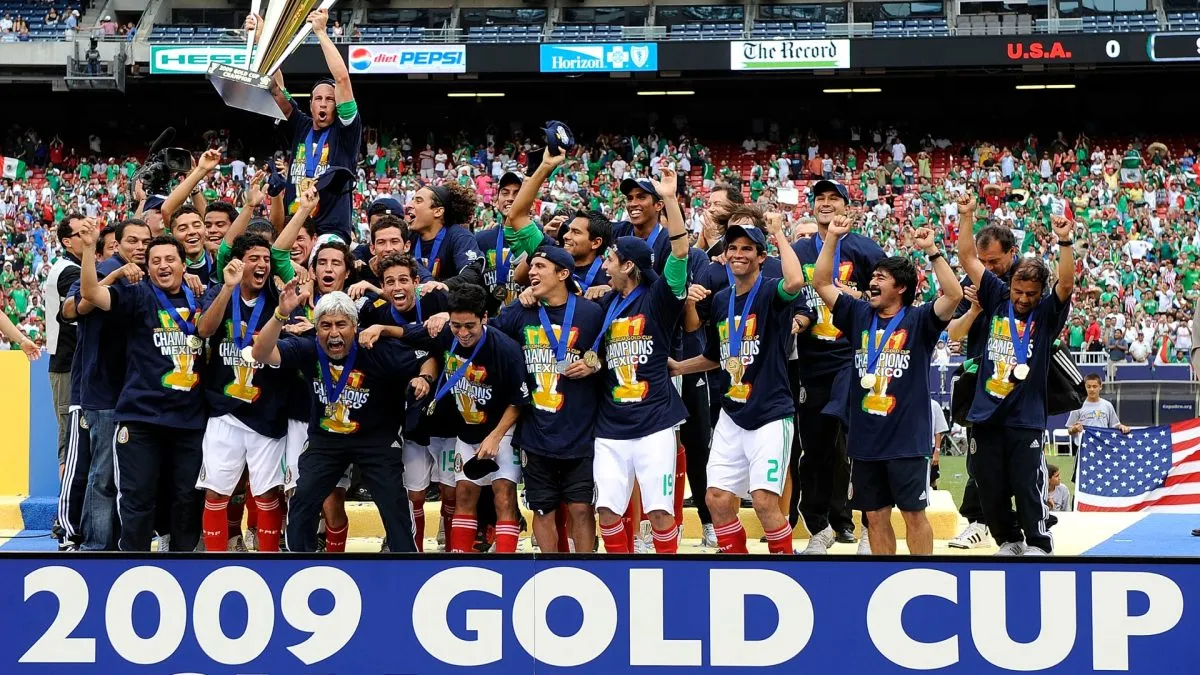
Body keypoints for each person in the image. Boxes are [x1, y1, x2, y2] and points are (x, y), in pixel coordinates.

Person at [815, 217, 962, 555]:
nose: (872, 281)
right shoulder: (856, 314)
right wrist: (833, 238)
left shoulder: (920, 319)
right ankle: (885, 578)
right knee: (875, 516)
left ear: (901, 288)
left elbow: (953, 294)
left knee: (913, 514)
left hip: (907, 440)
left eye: (881, 277)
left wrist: (932, 251)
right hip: (865, 438)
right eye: (873, 276)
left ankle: (923, 574)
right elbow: (822, 281)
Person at [251, 288, 428, 553]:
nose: (333, 333)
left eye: (341, 325)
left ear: (355, 327)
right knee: (302, 501)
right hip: (326, 440)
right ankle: (301, 564)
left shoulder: (377, 349)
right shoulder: (309, 347)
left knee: (394, 507)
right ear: (317, 329)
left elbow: (429, 356)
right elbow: (261, 354)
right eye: (325, 326)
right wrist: (280, 314)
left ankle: (405, 562)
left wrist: (424, 378)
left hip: (376, 439)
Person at [670, 211, 805, 553]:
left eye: (748, 248)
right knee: (715, 498)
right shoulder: (719, 301)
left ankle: (783, 570)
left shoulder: (771, 292)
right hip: (732, 412)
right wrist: (678, 368)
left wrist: (778, 233)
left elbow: (794, 282)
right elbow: (715, 356)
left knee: (763, 501)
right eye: (733, 248)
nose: (738, 254)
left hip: (770, 414)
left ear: (761, 257)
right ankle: (737, 564)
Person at [958, 193, 1076, 556]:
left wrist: (1065, 242)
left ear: (1041, 294)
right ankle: (1009, 541)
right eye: (1019, 291)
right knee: (988, 486)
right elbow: (966, 256)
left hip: (1025, 417)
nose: (1023, 298)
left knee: (1027, 485)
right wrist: (966, 215)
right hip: (985, 413)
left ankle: (1039, 543)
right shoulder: (996, 297)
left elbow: (1067, 284)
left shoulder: (1045, 315)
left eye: (1031, 293)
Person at [77, 231, 207, 552]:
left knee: (187, 499)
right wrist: (91, 249)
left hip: (190, 421)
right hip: (141, 419)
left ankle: (184, 565)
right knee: (138, 499)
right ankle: (132, 564)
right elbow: (91, 292)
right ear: (147, 268)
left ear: (183, 264)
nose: (163, 266)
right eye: (155, 261)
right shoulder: (137, 295)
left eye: (170, 260)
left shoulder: (203, 298)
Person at [589, 167, 691, 554]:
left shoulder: (661, 298)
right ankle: (620, 577)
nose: (604, 265)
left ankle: (668, 575)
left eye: (611, 259)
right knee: (608, 513)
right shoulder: (606, 304)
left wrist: (669, 198)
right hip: (611, 425)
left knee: (660, 512)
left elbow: (680, 251)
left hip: (653, 423)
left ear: (628, 265)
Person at [791, 179, 884, 553]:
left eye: (834, 198)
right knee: (815, 446)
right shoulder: (799, 249)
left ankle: (856, 521)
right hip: (811, 361)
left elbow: (887, 295)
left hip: (851, 356)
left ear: (847, 207)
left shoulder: (864, 248)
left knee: (852, 441)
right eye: (820, 198)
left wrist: (856, 295)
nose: (826, 204)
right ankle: (820, 524)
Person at [494, 246, 604, 552]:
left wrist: (594, 363)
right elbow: (491, 342)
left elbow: (603, 353)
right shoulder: (520, 311)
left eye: (541, 266)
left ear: (563, 274)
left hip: (581, 431)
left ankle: (585, 570)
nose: (532, 272)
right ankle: (550, 571)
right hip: (535, 432)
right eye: (532, 266)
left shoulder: (590, 312)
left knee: (582, 508)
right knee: (542, 509)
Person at [194, 233, 291, 553]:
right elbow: (205, 330)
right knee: (216, 492)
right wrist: (228, 287)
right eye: (255, 258)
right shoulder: (220, 292)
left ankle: (268, 561)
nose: (262, 264)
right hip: (224, 411)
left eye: (266, 259)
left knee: (266, 493)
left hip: (267, 409)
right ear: (238, 262)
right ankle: (215, 561)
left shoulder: (278, 296)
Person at [62, 218, 151, 551]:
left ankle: (120, 543)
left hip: (141, 392)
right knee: (102, 474)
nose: (139, 247)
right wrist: (101, 266)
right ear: (117, 244)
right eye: (132, 241)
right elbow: (74, 307)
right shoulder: (103, 268)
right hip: (104, 391)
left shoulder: (154, 273)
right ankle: (94, 546)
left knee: (129, 477)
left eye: (145, 241)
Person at [423, 284, 530, 553]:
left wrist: (495, 437)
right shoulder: (447, 335)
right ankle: (461, 558)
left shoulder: (506, 349)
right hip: (466, 431)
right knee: (464, 494)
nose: (462, 333)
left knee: (504, 496)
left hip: (502, 431)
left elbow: (518, 402)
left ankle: (507, 561)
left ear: (484, 317)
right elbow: (430, 353)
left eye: (469, 325)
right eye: (456, 325)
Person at [251, 8, 361, 244]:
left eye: (330, 99)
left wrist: (321, 32)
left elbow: (342, 79)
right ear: (310, 105)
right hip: (295, 227)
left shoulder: (346, 132)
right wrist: (261, 38)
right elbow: (275, 87)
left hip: (330, 231)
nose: (323, 103)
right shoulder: (301, 126)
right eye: (318, 99)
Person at [945, 223, 1021, 550]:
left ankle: (1025, 521)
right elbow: (954, 334)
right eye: (983, 262)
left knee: (1019, 457)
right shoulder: (971, 282)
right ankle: (978, 521)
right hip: (981, 379)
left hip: (1018, 382)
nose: (988, 269)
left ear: (1012, 253)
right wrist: (975, 308)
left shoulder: (1028, 279)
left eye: (995, 262)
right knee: (979, 451)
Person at [1066, 373, 1131, 452]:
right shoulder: (1078, 406)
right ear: (1085, 387)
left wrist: (1122, 427)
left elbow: (1115, 425)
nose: (1092, 389)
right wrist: (1075, 429)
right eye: (1089, 387)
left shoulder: (1107, 405)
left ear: (1100, 387)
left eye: (1095, 386)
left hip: (1103, 446)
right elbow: (1069, 429)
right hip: (1084, 447)